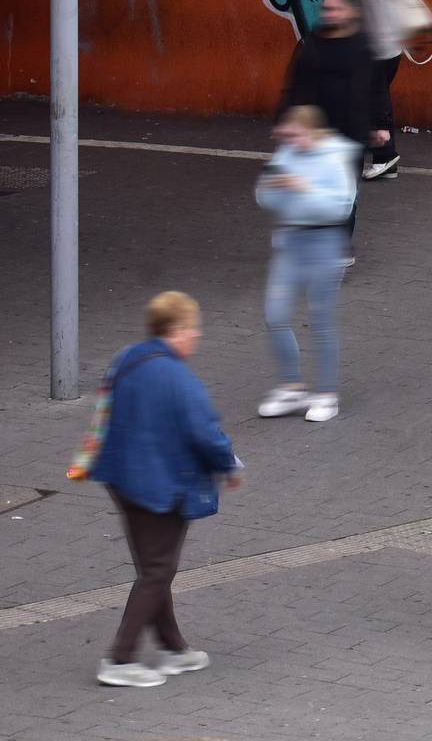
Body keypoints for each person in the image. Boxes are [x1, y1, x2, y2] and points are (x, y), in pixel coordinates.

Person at [87, 293, 238, 688]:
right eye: (193, 328)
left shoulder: (127, 358)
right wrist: (229, 464)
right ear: (178, 329)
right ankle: (119, 659)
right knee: (157, 571)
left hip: (120, 478)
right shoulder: (178, 378)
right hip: (159, 486)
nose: (197, 336)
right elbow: (206, 434)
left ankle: (174, 648)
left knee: (155, 568)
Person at [253, 107, 357, 424]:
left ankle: (327, 395)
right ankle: (291, 388)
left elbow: (339, 208)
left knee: (320, 319)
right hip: (290, 242)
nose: (291, 141)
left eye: (297, 135)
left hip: (326, 244)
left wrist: (302, 188)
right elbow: (263, 196)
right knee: (275, 315)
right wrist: (274, 188)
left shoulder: (335, 158)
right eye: (289, 135)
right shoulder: (287, 153)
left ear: (313, 132)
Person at [279, 0, 378, 247]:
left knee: (345, 194)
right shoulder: (311, 44)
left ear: (352, 11)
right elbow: (293, 85)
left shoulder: (363, 46)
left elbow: (376, 89)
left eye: (336, 9)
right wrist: (285, 119)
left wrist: (380, 126)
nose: (329, 14)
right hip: (314, 135)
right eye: (326, 9)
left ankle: (339, 244)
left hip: (351, 135)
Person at [346, 0, 410, 180]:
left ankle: (384, 156)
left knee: (375, 104)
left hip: (378, 52)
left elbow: (377, 23)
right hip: (389, 50)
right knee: (375, 102)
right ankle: (385, 158)